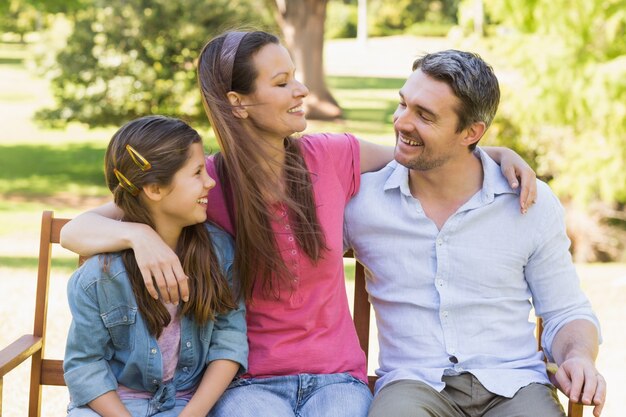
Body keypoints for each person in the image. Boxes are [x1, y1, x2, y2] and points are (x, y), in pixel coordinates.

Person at [60, 31, 537, 417]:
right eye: (282, 82)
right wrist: (137, 233)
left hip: (337, 379)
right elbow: (73, 231)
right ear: (239, 103)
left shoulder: (333, 156)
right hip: (248, 382)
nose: (302, 90)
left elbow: (417, 153)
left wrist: (492, 151)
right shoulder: (206, 184)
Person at [343, 50, 605, 417]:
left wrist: (577, 356)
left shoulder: (528, 201)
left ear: (472, 132)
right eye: (403, 104)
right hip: (413, 385)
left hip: (514, 385)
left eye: (425, 116)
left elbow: (565, 310)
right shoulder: (361, 202)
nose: (402, 121)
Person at [63, 115, 248, 417]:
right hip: (112, 407)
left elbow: (229, 343)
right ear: (154, 189)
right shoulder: (101, 274)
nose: (210, 181)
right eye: (198, 172)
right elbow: (85, 364)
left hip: (187, 404)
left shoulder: (219, 253)